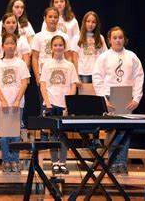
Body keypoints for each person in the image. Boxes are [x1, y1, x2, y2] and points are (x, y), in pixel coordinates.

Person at [92, 26, 144, 175]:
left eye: (120, 37)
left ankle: (122, 163)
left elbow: (139, 77)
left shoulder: (132, 56)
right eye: (114, 38)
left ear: (124, 39)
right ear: (109, 40)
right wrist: (103, 99)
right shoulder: (104, 57)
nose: (117, 40)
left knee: (124, 130)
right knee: (111, 130)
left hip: (126, 97)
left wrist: (137, 98)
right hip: (110, 97)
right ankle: (112, 162)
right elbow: (97, 78)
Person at [0, 33, 30, 174]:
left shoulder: (21, 64)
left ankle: (15, 160)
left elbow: (24, 83)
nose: (10, 46)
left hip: (17, 104)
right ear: (2, 46)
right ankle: (6, 160)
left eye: (12, 43)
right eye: (7, 43)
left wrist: (17, 100)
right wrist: (3, 100)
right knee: (4, 135)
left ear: (16, 46)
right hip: (3, 104)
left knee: (15, 134)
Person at [40, 35, 78, 175]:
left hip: (64, 105)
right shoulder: (47, 65)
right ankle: (54, 163)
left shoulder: (70, 65)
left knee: (63, 135)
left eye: (60, 45)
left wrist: (70, 105)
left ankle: (63, 162)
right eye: (55, 45)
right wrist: (48, 104)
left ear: (64, 47)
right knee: (53, 135)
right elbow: (43, 85)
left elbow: (73, 85)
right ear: (51, 47)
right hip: (51, 103)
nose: (58, 48)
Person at [70, 11, 107, 147]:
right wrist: (76, 76)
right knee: (84, 108)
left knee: (96, 107)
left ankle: (95, 136)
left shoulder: (100, 39)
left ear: (96, 24)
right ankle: (85, 138)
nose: (90, 24)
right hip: (83, 76)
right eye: (88, 21)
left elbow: (104, 58)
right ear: (84, 22)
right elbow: (74, 58)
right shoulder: (76, 38)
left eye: (93, 22)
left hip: (96, 76)